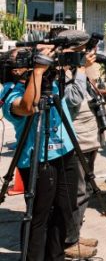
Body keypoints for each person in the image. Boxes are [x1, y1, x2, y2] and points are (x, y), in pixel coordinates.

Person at [3, 47, 77, 260]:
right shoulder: (9, 90)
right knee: (38, 216)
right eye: (29, 58)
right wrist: (37, 72)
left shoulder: (49, 80)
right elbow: (28, 107)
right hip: (36, 158)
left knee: (65, 210)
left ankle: (56, 256)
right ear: (16, 69)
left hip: (66, 151)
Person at [62, 43, 101, 258]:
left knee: (85, 190)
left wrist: (87, 70)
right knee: (76, 193)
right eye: (78, 49)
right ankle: (69, 240)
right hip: (76, 140)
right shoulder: (64, 73)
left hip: (89, 139)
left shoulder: (78, 71)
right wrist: (82, 69)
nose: (84, 54)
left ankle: (74, 234)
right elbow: (74, 100)